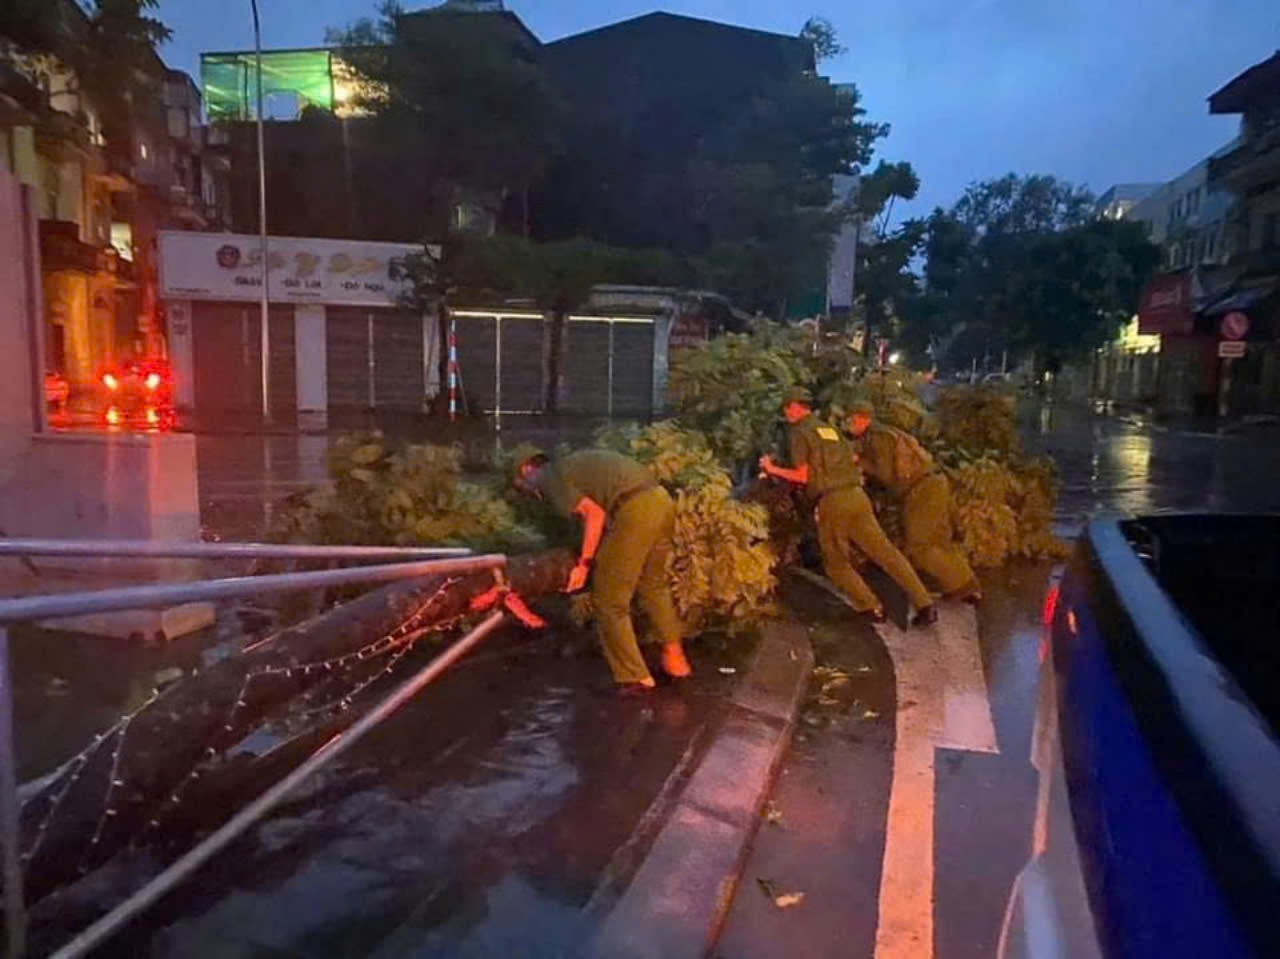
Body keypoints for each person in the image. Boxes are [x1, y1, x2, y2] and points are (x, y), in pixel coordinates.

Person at [514, 448, 691, 694]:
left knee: (609, 600)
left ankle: (634, 677)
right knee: (653, 586)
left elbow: (594, 515)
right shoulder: (571, 466)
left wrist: (584, 565)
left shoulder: (548, 477)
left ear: (526, 470)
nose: (525, 491)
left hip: (634, 511)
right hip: (660, 500)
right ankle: (675, 659)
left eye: (519, 483)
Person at [760, 387, 938, 627]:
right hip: (857, 497)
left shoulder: (799, 432)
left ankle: (871, 607)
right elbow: (851, 460)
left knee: (836, 563)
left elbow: (803, 475)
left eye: (786, 407)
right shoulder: (829, 430)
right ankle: (925, 604)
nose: (785, 413)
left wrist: (772, 469)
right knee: (887, 554)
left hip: (832, 502)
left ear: (794, 406)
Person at [846, 400, 982, 604]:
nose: (848, 424)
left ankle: (963, 584)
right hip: (932, 484)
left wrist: (859, 462)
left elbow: (885, 473)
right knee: (938, 540)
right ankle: (963, 584)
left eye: (850, 419)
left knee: (918, 546)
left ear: (862, 418)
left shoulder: (877, 438)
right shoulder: (885, 433)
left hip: (921, 489)